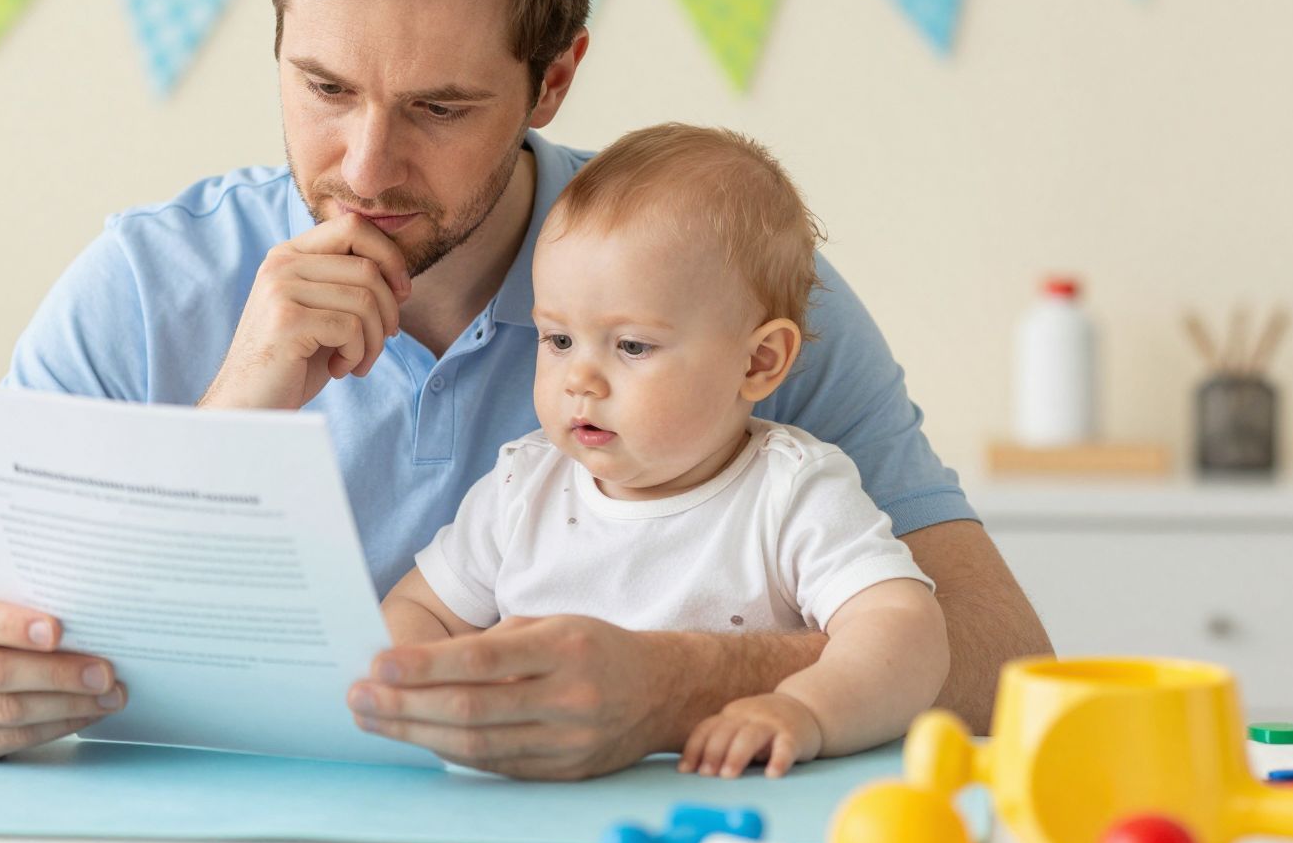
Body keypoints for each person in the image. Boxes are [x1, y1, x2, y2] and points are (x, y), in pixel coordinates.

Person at [0, 0, 1051, 777]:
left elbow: (1001, 663)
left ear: (554, 78)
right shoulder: (150, 280)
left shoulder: (709, 291)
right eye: (322, 89)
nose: (364, 167)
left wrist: (668, 684)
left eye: (437, 108)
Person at [380, 123, 949, 778]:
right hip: (530, 817)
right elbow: (416, 609)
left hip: (723, 807)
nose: (579, 380)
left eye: (631, 347)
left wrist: (805, 712)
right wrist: (429, 693)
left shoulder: (790, 492)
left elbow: (906, 630)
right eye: (558, 340)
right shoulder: (522, 487)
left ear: (760, 361)